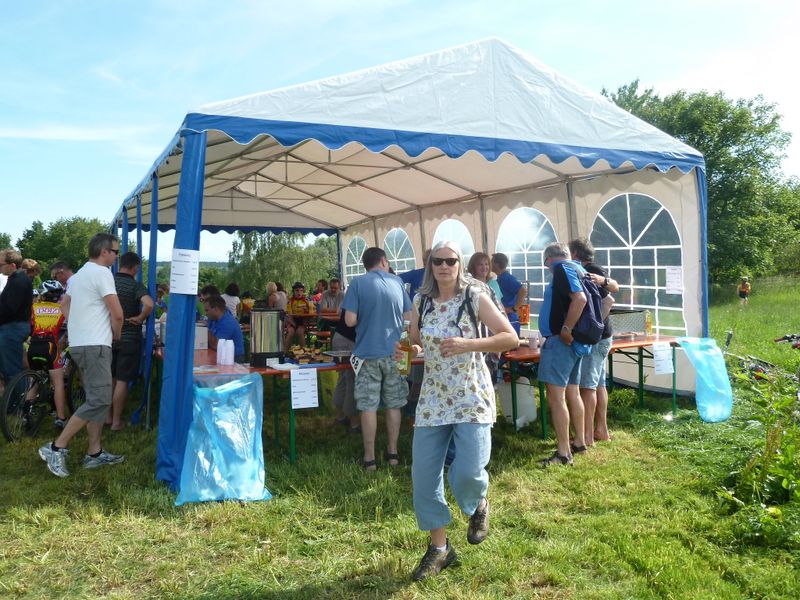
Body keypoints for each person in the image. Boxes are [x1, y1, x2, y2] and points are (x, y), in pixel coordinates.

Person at [400, 241, 518, 581]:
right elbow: (416, 340)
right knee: (424, 478)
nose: (443, 266)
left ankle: (478, 503)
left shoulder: (474, 296)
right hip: (433, 399)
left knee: (467, 470)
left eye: (450, 261)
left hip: (470, 396)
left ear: (459, 264)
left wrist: (470, 344)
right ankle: (440, 549)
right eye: (437, 261)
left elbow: (509, 337)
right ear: (430, 266)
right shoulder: (421, 301)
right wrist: (410, 349)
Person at [38, 233, 125, 478]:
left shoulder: (78, 276)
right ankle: (56, 447)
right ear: (104, 252)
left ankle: (94, 453)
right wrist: (116, 334)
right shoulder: (102, 273)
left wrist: (77, 326)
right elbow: (117, 314)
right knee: (100, 399)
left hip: (81, 344)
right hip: (95, 345)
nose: (116, 256)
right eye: (115, 252)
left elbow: (64, 305)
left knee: (96, 397)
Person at [342, 247, 411, 471]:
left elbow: (350, 321)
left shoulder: (357, 283)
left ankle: (370, 458)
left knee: (368, 406)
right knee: (394, 404)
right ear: (383, 261)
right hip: (397, 353)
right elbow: (408, 317)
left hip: (367, 353)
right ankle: (393, 454)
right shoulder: (397, 282)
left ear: (366, 264)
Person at [536, 242, 588, 467]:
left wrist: (566, 329)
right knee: (573, 392)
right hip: (574, 342)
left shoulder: (560, 269)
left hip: (560, 341)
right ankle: (580, 442)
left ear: (549, 259)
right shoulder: (579, 269)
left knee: (556, 397)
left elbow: (580, 299)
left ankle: (563, 453)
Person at [569, 238, 618, 445]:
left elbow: (609, 298)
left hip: (596, 338)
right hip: (602, 336)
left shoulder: (589, 271)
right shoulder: (594, 269)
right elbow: (612, 288)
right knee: (598, 384)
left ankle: (588, 436)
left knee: (588, 386)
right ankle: (601, 430)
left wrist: (594, 326)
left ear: (575, 254)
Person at [109, 252, 153, 431]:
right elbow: (149, 304)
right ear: (135, 267)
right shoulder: (135, 285)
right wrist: (140, 317)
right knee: (122, 380)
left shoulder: (109, 281)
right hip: (129, 338)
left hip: (108, 336)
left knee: (111, 378)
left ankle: (107, 416)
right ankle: (116, 421)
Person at [28, 280, 69, 428]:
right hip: (50, 347)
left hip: (33, 346)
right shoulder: (61, 308)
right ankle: (60, 418)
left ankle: (27, 413)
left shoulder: (34, 307)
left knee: (34, 381)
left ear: (43, 295)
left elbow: (29, 325)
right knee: (58, 383)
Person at [0, 249, 34, 388]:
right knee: (8, 368)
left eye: (1, 264)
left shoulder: (18, 281)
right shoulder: (15, 279)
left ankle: (20, 399)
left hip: (13, 327)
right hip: (12, 327)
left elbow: (9, 309)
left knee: (12, 369)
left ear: (12, 265)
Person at [331, 307, 360, 432]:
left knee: (343, 378)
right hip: (352, 340)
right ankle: (354, 422)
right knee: (353, 380)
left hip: (339, 336)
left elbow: (339, 311)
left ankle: (340, 416)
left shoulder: (350, 295)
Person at [491, 252, 527, 335]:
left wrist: (514, 308)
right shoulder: (500, 278)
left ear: (497, 264)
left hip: (510, 318)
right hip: (505, 317)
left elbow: (523, 290)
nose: (490, 264)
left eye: (491, 262)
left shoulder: (506, 278)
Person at [204, 295, 245, 362]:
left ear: (216, 309)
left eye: (207, 310)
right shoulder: (215, 319)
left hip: (234, 359)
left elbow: (216, 345)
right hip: (223, 355)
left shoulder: (228, 322)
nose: (206, 313)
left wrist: (203, 331)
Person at [285, 282, 314, 348]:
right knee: (291, 333)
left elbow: (312, 314)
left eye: (301, 291)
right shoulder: (290, 301)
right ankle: (285, 351)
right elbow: (289, 315)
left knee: (300, 332)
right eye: (297, 290)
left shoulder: (307, 301)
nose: (299, 292)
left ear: (303, 292)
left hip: (302, 322)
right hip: (292, 321)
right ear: (293, 291)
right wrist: (294, 324)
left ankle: (303, 350)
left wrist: (307, 311)